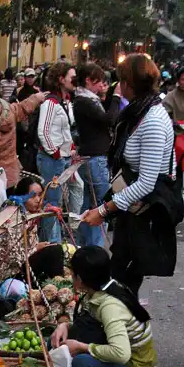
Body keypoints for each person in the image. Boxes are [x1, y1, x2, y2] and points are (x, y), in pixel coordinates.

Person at [82, 53, 180, 295]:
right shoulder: (139, 113)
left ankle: (128, 329)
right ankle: (126, 327)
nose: (117, 86)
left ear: (129, 83)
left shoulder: (153, 120)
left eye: (120, 80)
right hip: (130, 209)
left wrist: (104, 211)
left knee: (122, 282)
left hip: (143, 213)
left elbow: (147, 182)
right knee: (121, 279)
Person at [51, 246, 156, 367]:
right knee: (57, 342)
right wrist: (64, 326)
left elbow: (121, 353)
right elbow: (90, 323)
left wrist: (83, 347)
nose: (71, 278)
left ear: (81, 280)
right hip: (124, 363)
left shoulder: (110, 306)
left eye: (73, 274)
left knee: (81, 363)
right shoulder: (105, 287)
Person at [0, 178, 64, 302]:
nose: (38, 200)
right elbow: (15, 257)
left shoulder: (29, 214)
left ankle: (56, 289)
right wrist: (36, 249)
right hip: (9, 275)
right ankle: (57, 292)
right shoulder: (14, 218)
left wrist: (38, 246)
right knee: (54, 251)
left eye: (40, 195)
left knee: (54, 249)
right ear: (21, 197)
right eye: (33, 196)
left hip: (22, 265)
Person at [73, 63, 122, 247]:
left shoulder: (87, 100)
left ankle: (85, 247)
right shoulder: (85, 101)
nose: (102, 84)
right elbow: (109, 119)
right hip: (95, 158)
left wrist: (108, 96)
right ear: (88, 80)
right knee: (101, 209)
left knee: (89, 207)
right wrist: (116, 96)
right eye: (99, 81)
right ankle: (95, 249)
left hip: (91, 157)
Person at [37, 62, 77, 243]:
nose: (75, 81)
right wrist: (55, 152)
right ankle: (51, 245)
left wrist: (70, 149)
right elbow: (43, 131)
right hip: (52, 160)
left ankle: (59, 238)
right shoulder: (50, 103)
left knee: (61, 200)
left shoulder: (64, 101)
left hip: (62, 158)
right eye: (72, 77)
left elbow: (64, 130)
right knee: (51, 205)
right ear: (61, 79)